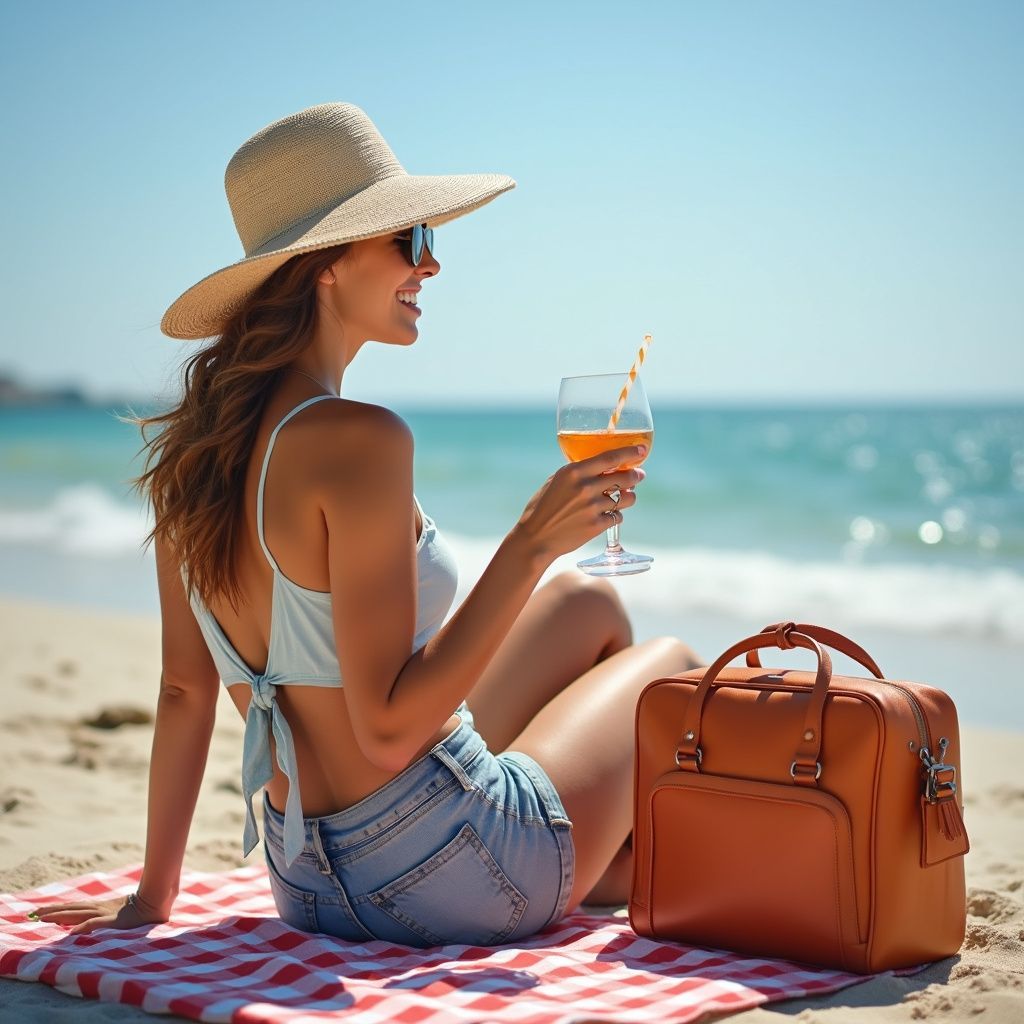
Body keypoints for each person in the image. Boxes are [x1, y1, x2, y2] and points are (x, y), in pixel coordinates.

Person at [30, 102, 703, 945]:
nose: (432, 263)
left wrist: (151, 899)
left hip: (304, 879)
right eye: (409, 239)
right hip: (449, 867)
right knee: (671, 667)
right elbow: (386, 733)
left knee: (587, 604)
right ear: (326, 264)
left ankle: (600, 864)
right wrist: (529, 544)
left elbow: (183, 691)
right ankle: (600, 866)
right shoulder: (361, 439)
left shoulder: (195, 455)